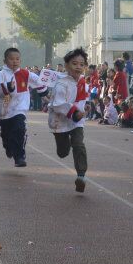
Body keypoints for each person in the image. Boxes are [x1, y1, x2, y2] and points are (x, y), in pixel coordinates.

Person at [0, 47, 44, 167]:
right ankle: (8, 146)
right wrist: (8, 86)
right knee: (7, 136)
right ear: (5, 61)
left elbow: (38, 81)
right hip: (5, 111)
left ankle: (19, 157)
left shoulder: (25, 73)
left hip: (19, 109)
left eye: (17, 59)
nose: (15, 61)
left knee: (19, 130)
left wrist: (44, 92)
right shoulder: (0, 75)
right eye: (11, 59)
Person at [48, 48, 90, 192]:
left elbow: (84, 98)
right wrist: (74, 113)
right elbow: (58, 104)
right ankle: (62, 146)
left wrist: (86, 106)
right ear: (66, 66)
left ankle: (81, 176)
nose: (78, 67)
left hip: (77, 122)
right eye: (74, 63)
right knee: (63, 152)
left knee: (79, 144)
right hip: (60, 122)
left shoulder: (83, 82)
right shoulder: (61, 84)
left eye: (81, 64)